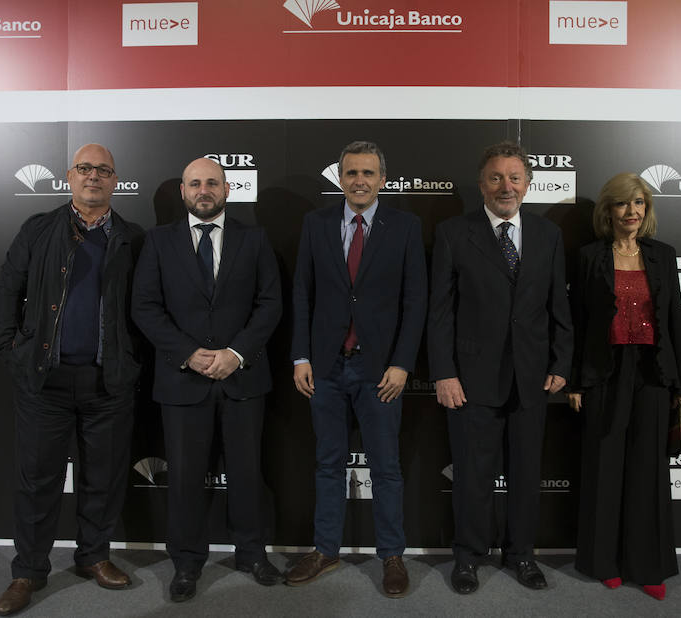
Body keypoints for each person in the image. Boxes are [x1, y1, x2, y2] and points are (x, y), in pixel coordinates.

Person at [0, 144, 143, 615]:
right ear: (69, 177)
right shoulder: (39, 229)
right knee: (38, 481)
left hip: (108, 382)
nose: (93, 176)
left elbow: (148, 308)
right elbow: (7, 289)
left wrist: (132, 361)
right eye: (85, 168)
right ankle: (28, 571)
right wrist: (11, 350)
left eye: (103, 170)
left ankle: (94, 557)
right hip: (45, 381)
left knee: (103, 477)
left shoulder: (134, 237)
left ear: (115, 180)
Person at [131, 157, 283, 602]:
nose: (204, 190)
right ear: (183, 191)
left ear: (226, 189)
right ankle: (186, 562)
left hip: (243, 379)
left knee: (246, 473)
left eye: (212, 183)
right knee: (183, 478)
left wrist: (236, 354)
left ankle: (252, 554)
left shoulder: (254, 240)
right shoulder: (158, 242)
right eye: (195, 183)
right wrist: (187, 354)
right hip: (183, 381)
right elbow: (144, 307)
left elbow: (270, 303)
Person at [427, 140, 573, 595]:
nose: (505, 186)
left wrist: (562, 361)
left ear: (528, 184)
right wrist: (444, 373)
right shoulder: (453, 233)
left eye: (514, 177)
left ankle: (522, 555)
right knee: (472, 476)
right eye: (496, 177)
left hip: (532, 377)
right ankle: (469, 558)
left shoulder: (548, 235)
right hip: (470, 379)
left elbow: (559, 307)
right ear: (481, 183)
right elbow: (440, 312)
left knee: (527, 475)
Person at [287, 141, 427, 598]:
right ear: (340, 178)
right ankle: (325, 549)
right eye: (351, 173)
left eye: (368, 173)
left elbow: (415, 301)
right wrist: (301, 356)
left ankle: (391, 555)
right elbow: (303, 293)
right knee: (328, 464)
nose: (360, 181)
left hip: (381, 370)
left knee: (386, 468)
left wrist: (403, 363)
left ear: (382, 180)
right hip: (324, 368)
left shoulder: (405, 227)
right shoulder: (316, 223)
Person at [567, 172, 681, 601]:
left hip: (653, 373)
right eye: (623, 204)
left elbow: (676, 322)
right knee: (604, 467)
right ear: (609, 210)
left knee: (648, 471)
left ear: (647, 210)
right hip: (604, 371)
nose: (631, 212)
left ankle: (649, 566)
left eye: (639, 203)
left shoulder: (663, 255)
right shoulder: (588, 257)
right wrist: (576, 381)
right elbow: (579, 324)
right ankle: (604, 562)